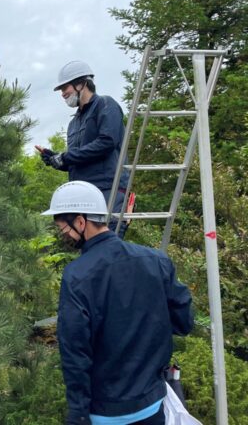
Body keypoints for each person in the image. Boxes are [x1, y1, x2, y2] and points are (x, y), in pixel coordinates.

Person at [41, 181, 194, 425]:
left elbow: (75, 351)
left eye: (64, 229)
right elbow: (184, 322)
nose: (64, 236)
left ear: (81, 222)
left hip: (105, 413)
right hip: (152, 404)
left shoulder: (77, 275)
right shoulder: (156, 260)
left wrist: (78, 414)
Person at [36, 60, 130, 237]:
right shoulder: (74, 123)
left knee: (109, 245)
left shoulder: (105, 105)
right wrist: (55, 159)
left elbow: (107, 142)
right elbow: (78, 159)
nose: (63, 94)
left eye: (65, 88)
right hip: (84, 196)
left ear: (81, 84)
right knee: (90, 248)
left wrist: (66, 157)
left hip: (108, 191)